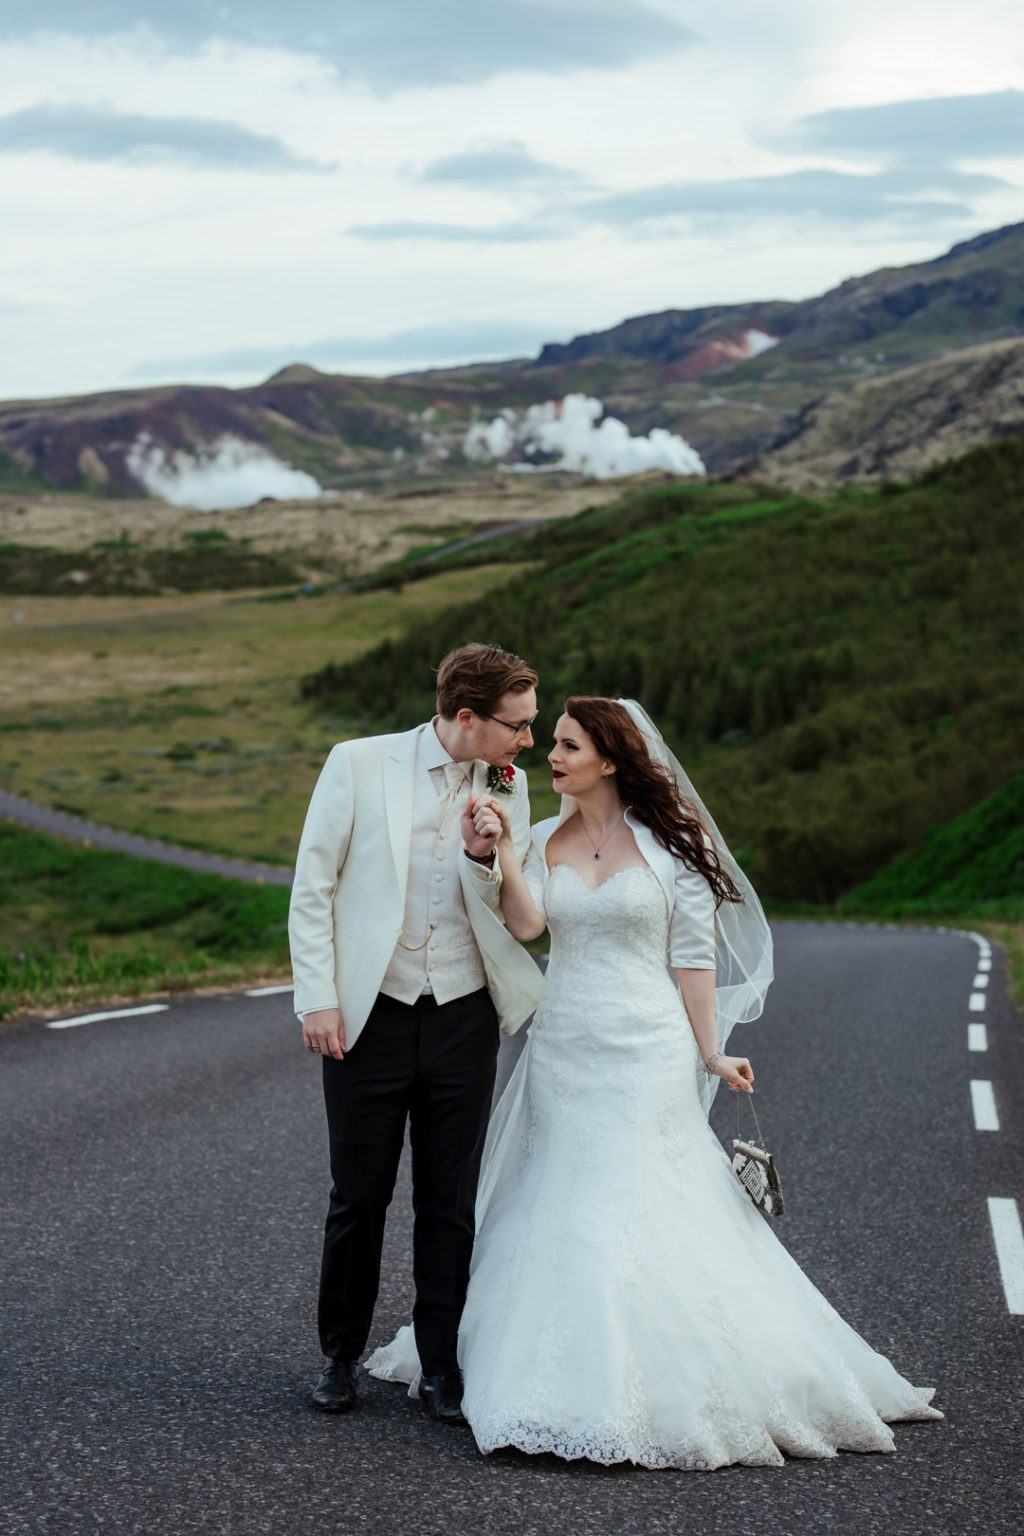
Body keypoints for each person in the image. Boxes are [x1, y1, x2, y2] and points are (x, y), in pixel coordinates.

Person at [368, 697, 942, 1469]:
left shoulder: (673, 848)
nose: (553, 756)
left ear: (610, 759)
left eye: (568, 745)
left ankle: (665, 1379)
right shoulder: (542, 835)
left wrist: (711, 1051)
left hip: (648, 1046)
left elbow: (694, 958)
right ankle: (550, 1369)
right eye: (553, 743)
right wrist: (503, 853)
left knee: (640, 1193)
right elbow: (530, 927)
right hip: (566, 1043)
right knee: (561, 1195)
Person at [288, 643, 543, 1424]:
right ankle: (339, 1356)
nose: (528, 741)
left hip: (465, 1013)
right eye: (518, 725)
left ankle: (441, 1367)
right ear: (466, 719)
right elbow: (314, 884)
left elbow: (509, 904)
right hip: (371, 1015)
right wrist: (318, 1000)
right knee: (357, 1197)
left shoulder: (512, 786)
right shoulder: (358, 763)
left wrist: (485, 853)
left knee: (449, 1200)